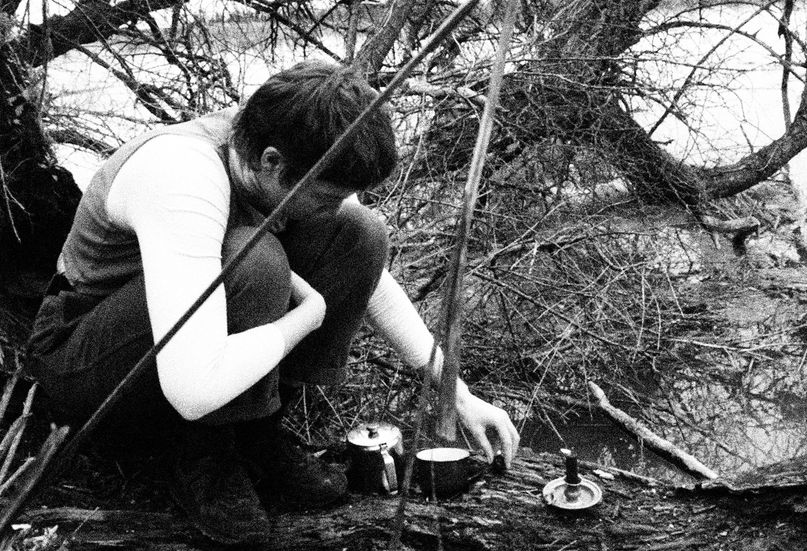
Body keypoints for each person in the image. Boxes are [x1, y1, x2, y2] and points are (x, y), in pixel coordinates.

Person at [26, 61, 519, 545]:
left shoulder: (287, 147)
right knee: (254, 259)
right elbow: (192, 388)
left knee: (360, 234)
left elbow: (373, 282)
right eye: (328, 194)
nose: (335, 204)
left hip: (180, 350)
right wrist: (303, 318)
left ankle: (257, 435)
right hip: (89, 361)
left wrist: (455, 392)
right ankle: (202, 454)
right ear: (271, 162)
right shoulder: (182, 175)